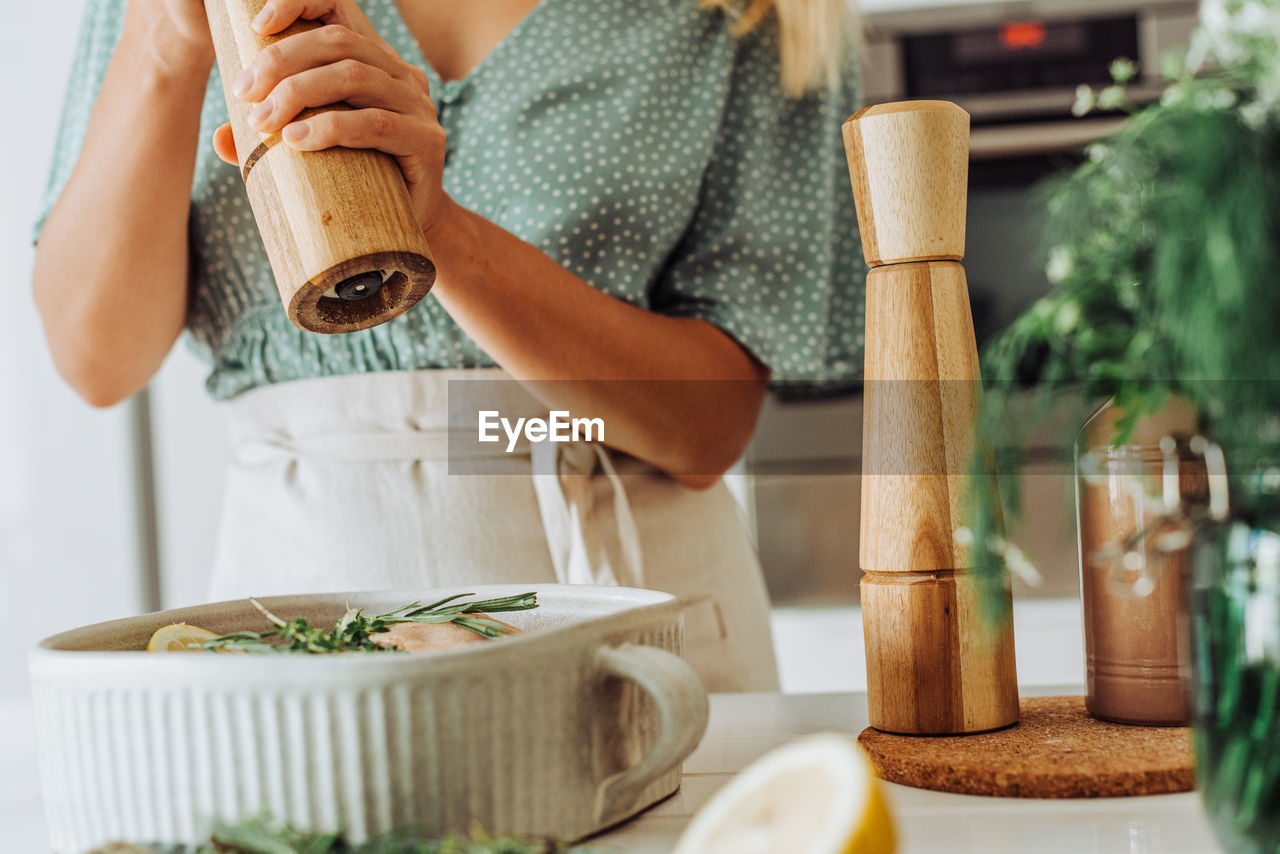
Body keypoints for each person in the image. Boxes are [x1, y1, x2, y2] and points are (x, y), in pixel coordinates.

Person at [32, 0, 865, 691]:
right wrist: (166, 43)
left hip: (634, 619)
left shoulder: (760, 13)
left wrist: (440, 232)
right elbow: (97, 359)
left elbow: (708, 430)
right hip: (301, 627)